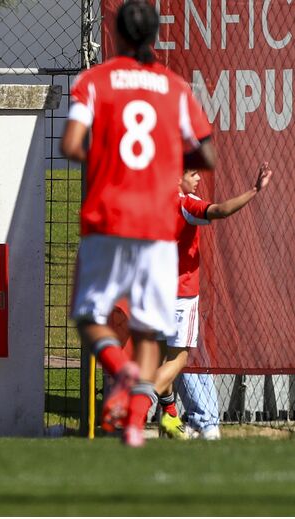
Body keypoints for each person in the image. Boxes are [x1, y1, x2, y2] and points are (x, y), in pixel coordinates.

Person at [60, 0, 215, 447]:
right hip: (156, 226)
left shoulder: (95, 81)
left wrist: (108, 159)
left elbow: (71, 144)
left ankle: (122, 373)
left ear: (118, 34)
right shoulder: (174, 87)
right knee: (149, 332)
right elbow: (205, 152)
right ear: (154, 37)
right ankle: (133, 426)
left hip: (109, 216)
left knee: (88, 316)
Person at [155, 164, 273, 440]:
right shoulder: (185, 204)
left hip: (154, 294)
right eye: (192, 173)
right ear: (177, 176)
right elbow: (220, 210)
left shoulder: (152, 200)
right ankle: (138, 401)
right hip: (180, 295)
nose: (198, 178)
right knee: (180, 359)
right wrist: (254, 190)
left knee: (164, 361)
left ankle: (172, 416)